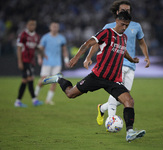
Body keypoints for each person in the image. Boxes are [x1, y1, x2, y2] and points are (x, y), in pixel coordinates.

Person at [42, 11, 145, 142]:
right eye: (123, 24)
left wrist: (131, 60)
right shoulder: (107, 32)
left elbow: (122, 50)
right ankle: (58, 78)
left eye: (127, 25)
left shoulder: (123, 38)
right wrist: (76, 57)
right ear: (117, 21)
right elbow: (88, 43)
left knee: (129, 101)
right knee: (70, 94)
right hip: (97, 76)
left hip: (114, 80)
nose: (124, 28)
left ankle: (130, 132)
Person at [83, 0, 150, 126]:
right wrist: (88, 57)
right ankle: (111, 121)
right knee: (116, 91)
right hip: (114, 65)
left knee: (124, 96)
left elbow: (141, 42)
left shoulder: (136, 26)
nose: (126, 12)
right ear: (117, 12)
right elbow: (97, 43)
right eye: (123, 10)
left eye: (128, 11)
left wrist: (146, 56)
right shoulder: (108, 27)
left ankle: (102, 108)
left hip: (130, 65)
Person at [35, 22, 70, 105]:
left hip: (57, 63)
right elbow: (40, 49)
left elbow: (64, 50)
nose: (55, 28)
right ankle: (35, 95)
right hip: (47, 62)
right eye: (53, 26)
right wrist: (39, 58)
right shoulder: (45, 37)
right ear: (50, 28)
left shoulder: (61, 38)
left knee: (55, 81)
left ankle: (48, 100)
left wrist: (66, 60)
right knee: (43, 80)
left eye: (56, 27)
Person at [14, 19, 43, 107]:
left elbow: (37, 48)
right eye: (30, 25)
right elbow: (19, 49)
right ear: (27, 25)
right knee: (30, 79)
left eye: (33, 25)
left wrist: (43, 55)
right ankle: (34, 100)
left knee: (25, 80)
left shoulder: (36, 36)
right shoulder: (23, 35)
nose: (32, 26)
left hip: (31, 61)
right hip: (25, 61)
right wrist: (20, 62)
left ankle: (19, 101)